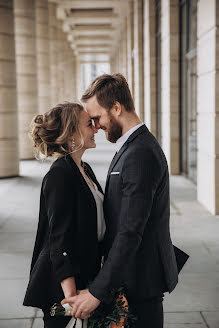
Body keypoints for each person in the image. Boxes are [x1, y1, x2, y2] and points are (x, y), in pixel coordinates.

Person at [62, 74, 179, 328]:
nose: (96, 125)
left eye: (98, 117)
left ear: (117, 107)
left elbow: (130, 230)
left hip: (140, 278)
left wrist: (97, 292)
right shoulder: (132, 146)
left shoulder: (140, 153)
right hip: (132, 273)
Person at [23, 102, 106, 328]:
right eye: (89, 124)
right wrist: (71, 300)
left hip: (84, 275)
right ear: (71, 133)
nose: (96, 128)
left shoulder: (83, 168)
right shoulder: (60, 175)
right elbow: (58, 240)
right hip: (63, 286)